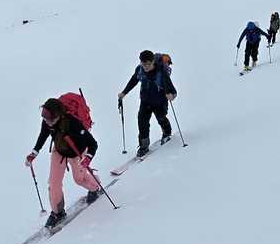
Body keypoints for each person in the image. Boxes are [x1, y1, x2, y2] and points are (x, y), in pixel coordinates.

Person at [26, 98, 100, 228]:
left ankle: (95, 187)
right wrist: (34, 152)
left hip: (77, 153)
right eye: (44, 116)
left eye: (49, 118)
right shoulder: (47, 122)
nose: (46, 121)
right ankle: (58, 212)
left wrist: (87, 157)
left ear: (58, 115)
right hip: (59, 151)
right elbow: (43, 135)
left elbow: (93, 143)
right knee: (54, 183)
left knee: (79, 179)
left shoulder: (74, 123)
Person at [117, 50, 178, 158]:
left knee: (161, 118)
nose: (145, 67)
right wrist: (124, 92)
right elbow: (133, 81)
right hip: (145, 101)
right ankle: (143, 147)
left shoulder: (161, 72)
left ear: (153, 62)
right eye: (143, 64)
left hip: (160, 101)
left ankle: (167, 132)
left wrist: (171, 96)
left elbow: (172, 90)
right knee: (142, 122)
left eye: (148, 64)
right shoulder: (140, 70)